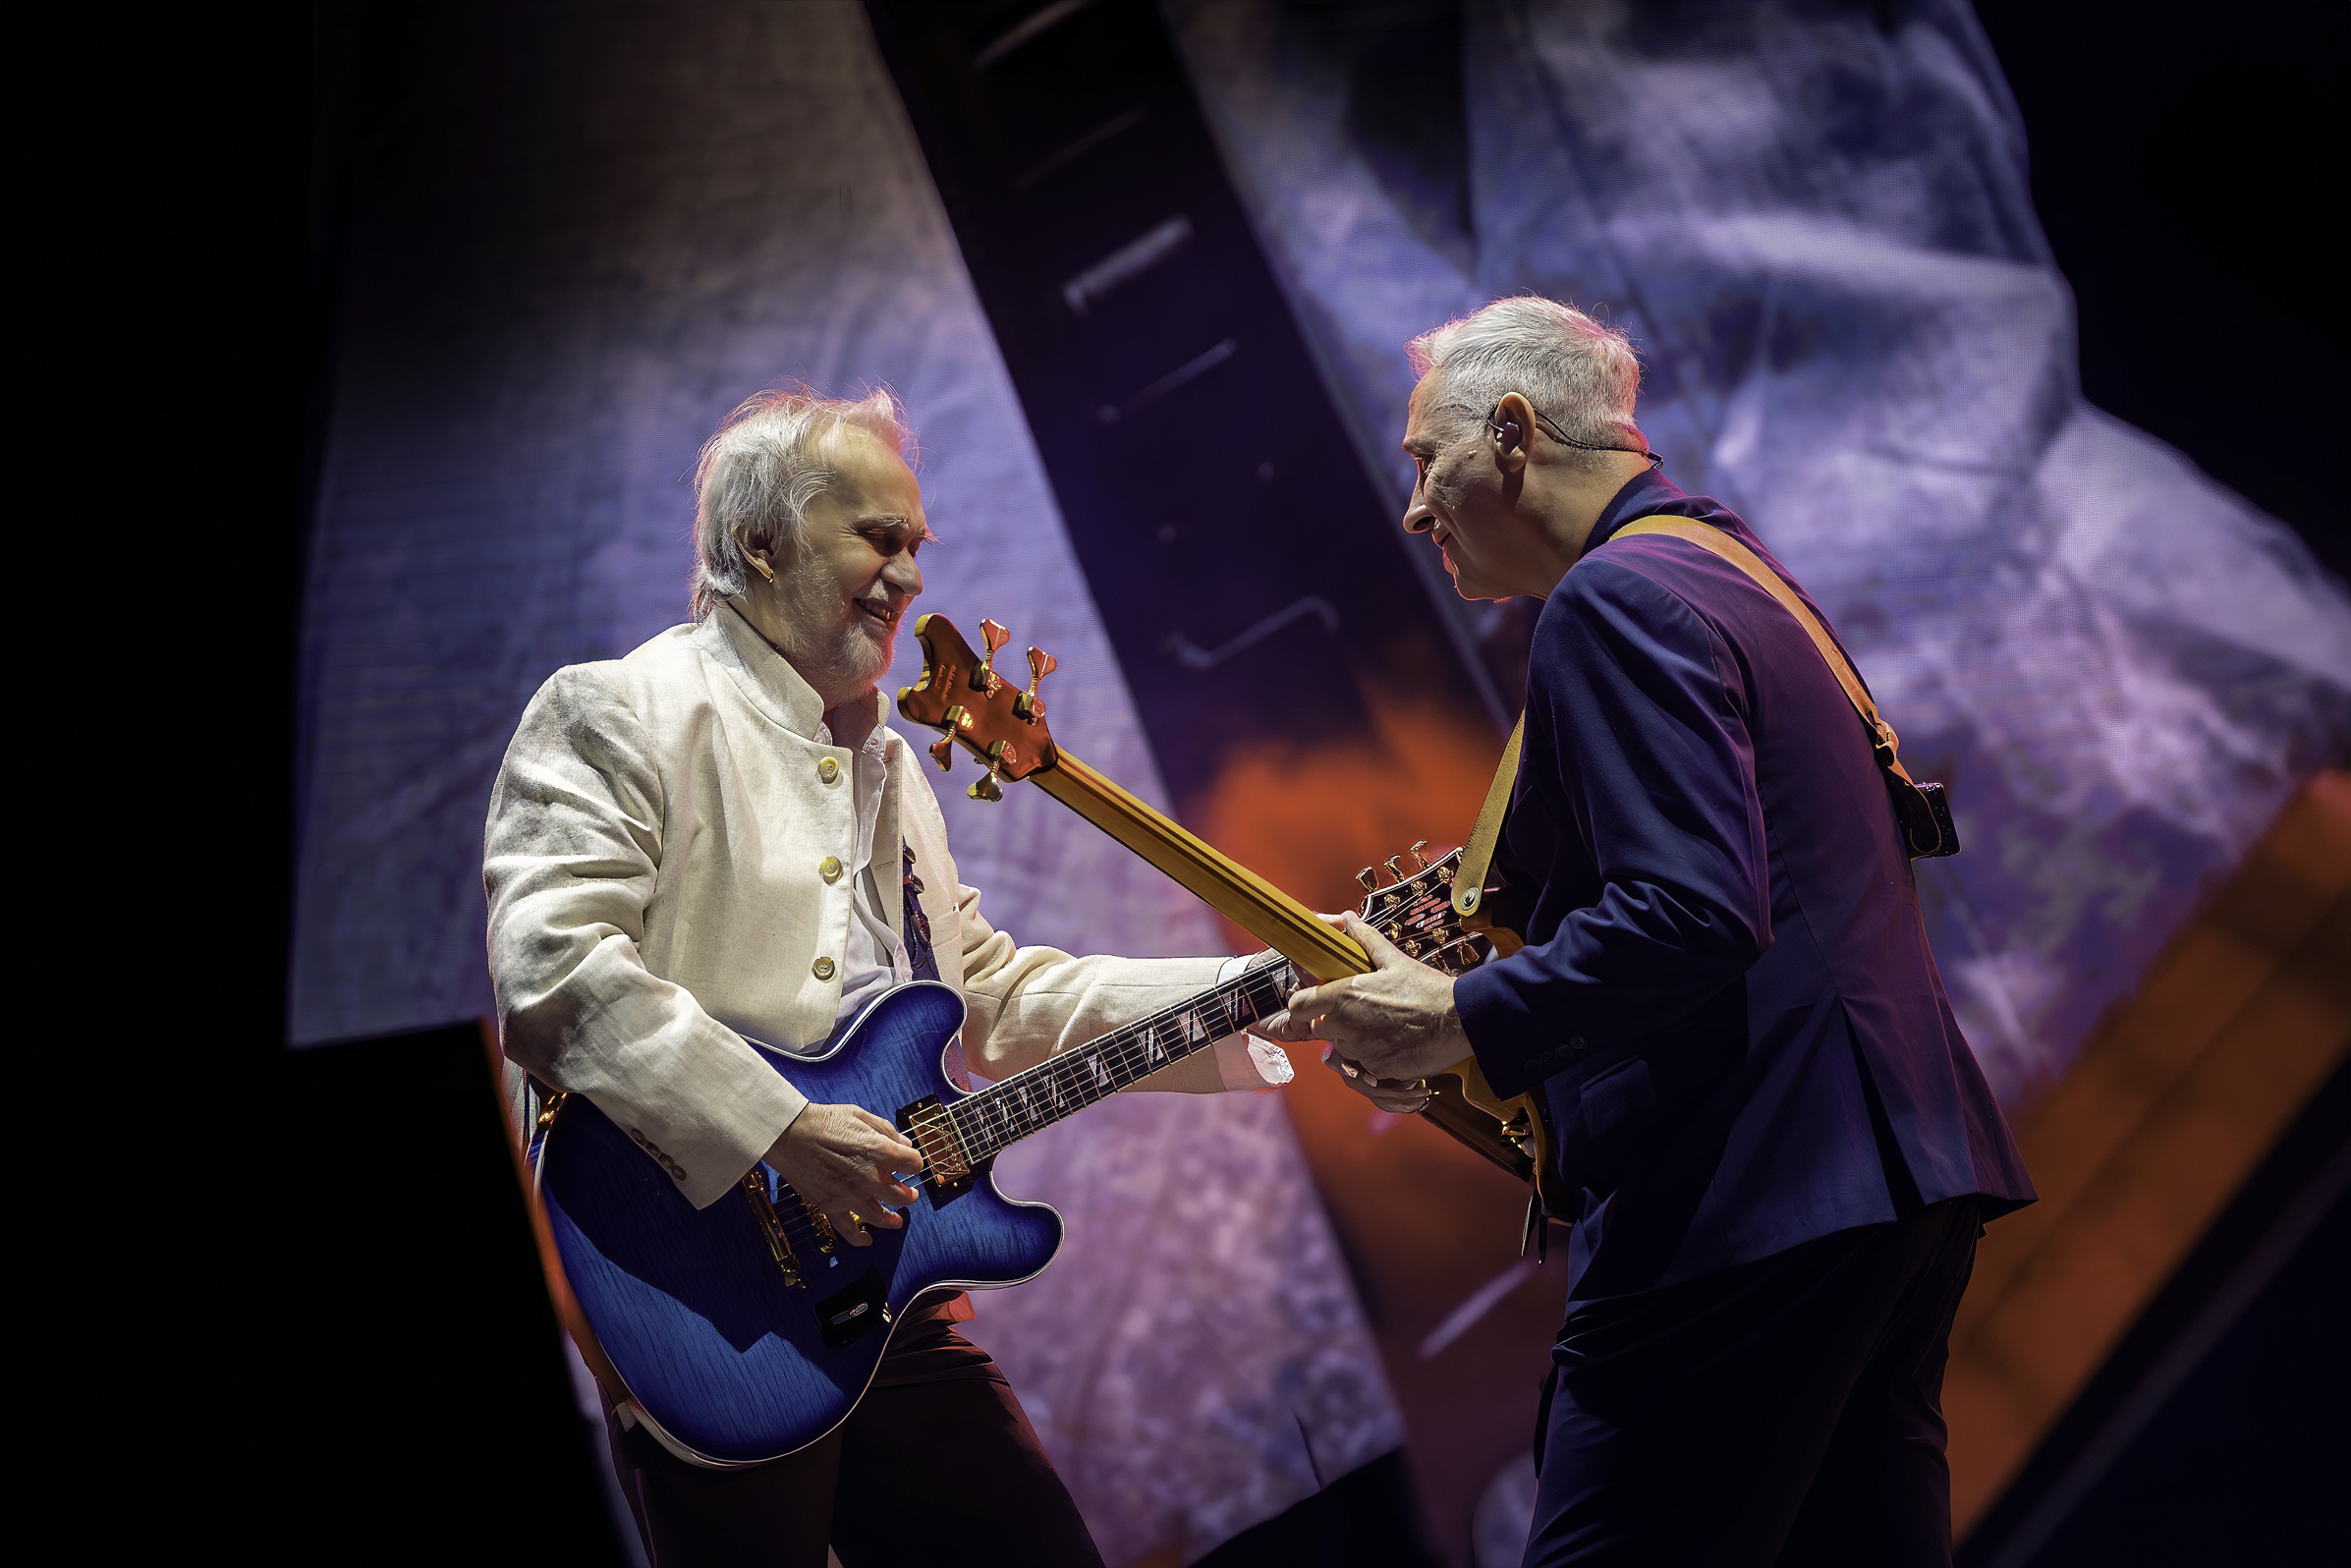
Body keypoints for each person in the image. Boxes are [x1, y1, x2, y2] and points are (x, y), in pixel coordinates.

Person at [1259, 298, 2035, 1566]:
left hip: (1745, 1203)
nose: (1411, 508)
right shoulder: (1725, 566)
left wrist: (1460, 1016)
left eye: (1424, 461)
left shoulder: (1608, 600)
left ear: (1512, 432)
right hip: (1896, 1178)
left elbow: (1691, 910)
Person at [483, 387, 1288, 1568]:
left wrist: (1270, 986)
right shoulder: (616, 711)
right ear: (759, 543)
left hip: (888, 1293)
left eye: (917, 543)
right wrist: (779, 1129)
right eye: (878, 537)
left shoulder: (888, 762)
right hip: (697, 1306)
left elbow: (987, 995)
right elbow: (552, 971)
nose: (910, 575)